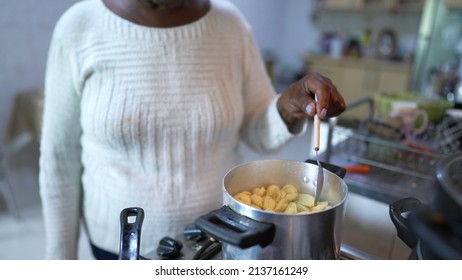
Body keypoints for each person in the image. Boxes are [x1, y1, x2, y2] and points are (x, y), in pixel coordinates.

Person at [39, 0, 345, 260]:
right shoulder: (79, 27)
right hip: (120, 247)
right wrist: (60, 261)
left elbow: (257, 129)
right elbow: (58, 160)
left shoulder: (231, 26)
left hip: (221, 239)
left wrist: (285, 109)